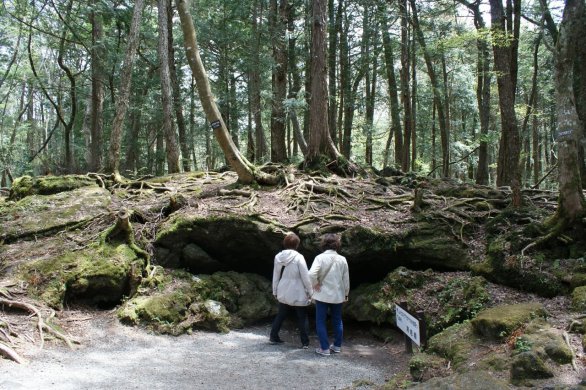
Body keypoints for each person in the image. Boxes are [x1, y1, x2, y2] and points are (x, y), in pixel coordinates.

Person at [308, 233, 349, 356]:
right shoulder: (342, 259)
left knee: (321, 320)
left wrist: (315, 284)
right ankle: (337, 346)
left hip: (322, 294)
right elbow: (345, 279)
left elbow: (311, 274)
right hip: (337, 295)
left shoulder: (319, 258)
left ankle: (324, 348)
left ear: (324, 244)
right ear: (337, 244)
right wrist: (346, 293)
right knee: (337, 320)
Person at [270, 232, 313, 348]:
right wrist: (310, 291)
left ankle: (273, 336)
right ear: (297, 245)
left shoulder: (278, 257)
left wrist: (275, 291)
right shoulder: (299, 257)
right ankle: (305, 342)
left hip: (283, 289)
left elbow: (276, 275)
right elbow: (305, 276)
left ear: (284, 243)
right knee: (302, 316)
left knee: (281, 314)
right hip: (297, 290)